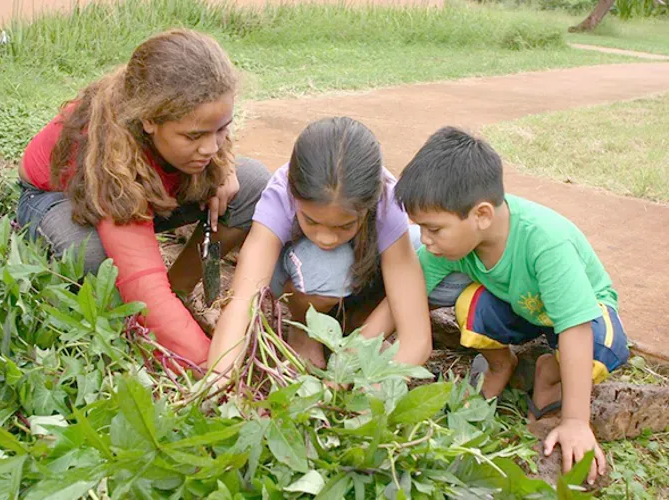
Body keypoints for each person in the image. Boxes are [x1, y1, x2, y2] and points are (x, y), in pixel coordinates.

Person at [15, 29, 270, 366]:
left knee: (252, 183)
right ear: (149, 120)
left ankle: (177, 291)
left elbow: (214, 137)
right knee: (97, 258)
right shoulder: (112, 154)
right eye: (194, 135)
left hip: (146, 183)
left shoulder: (178, 118)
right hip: (54, 198)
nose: (210, 147)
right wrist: (210, 369)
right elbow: (142, 284)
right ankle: (132, 326)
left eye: (221, 129)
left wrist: (224, 164)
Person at [394, 126, 630, 484]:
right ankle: (500, 365)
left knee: (603, 348)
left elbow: (575, 326)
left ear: (482, 215)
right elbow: (408, 292)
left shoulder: (544, 241)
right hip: (526, 310)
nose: (424, 239)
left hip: (583, 314)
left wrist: (576, 422)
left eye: (433, 229)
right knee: (471, 305)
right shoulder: (458, 240)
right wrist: (365, 350)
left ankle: (552, 373)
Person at [208, 116, 436, 374]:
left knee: (423, 249)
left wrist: (375, 384)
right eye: (311, 220)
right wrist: (218, 378)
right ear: (293, 194)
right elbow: (242, 301)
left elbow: (416, 340)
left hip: (358, 275)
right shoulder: (281, 193)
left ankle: (355, 335)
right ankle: (305, 328)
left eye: (344, 225)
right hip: (300, 274)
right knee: (327, 263)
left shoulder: (386, 201)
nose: (326, 238)